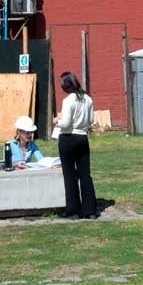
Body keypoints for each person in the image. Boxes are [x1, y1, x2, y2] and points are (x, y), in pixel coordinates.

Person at [55, 71, 97, 219]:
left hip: (68, 138)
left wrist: (56, 121)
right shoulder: (87, 98)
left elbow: (66, 123)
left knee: (70, 175)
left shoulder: (68, 101)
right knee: (85, 174)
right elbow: (91, 120)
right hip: (83, 138)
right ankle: (90, 210)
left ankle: (73, 210)